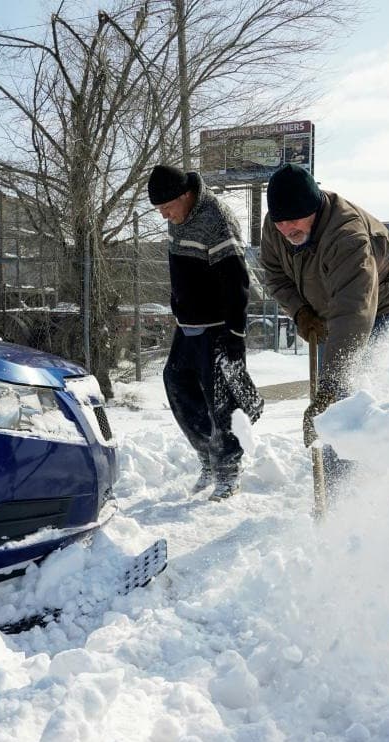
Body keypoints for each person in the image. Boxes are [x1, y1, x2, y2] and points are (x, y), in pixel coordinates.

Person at [259, 163, 389, 489]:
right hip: (327, 308)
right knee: (332, 403)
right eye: (280, 221)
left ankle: (363, 487)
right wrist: (300, 312)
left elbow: (354, 312)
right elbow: (274, 274)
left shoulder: (348, 237)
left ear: (314, 208)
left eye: (295, 219)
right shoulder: (275, 227)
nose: (287, 228)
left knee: (346, 398)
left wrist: (329, 387)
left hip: (380, 308)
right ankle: (334, 490)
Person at [148, 164, 252, 501]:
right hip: (188, 325)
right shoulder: (178, 219)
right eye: (160, 210)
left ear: (185, 195)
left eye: (167, 208)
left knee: (220, 400)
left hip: (219, 326)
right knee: (177, 385)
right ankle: (208, 457)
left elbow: (237, 281)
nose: (164, 216)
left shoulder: (215, 219)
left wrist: (235, 334)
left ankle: (228, 470)